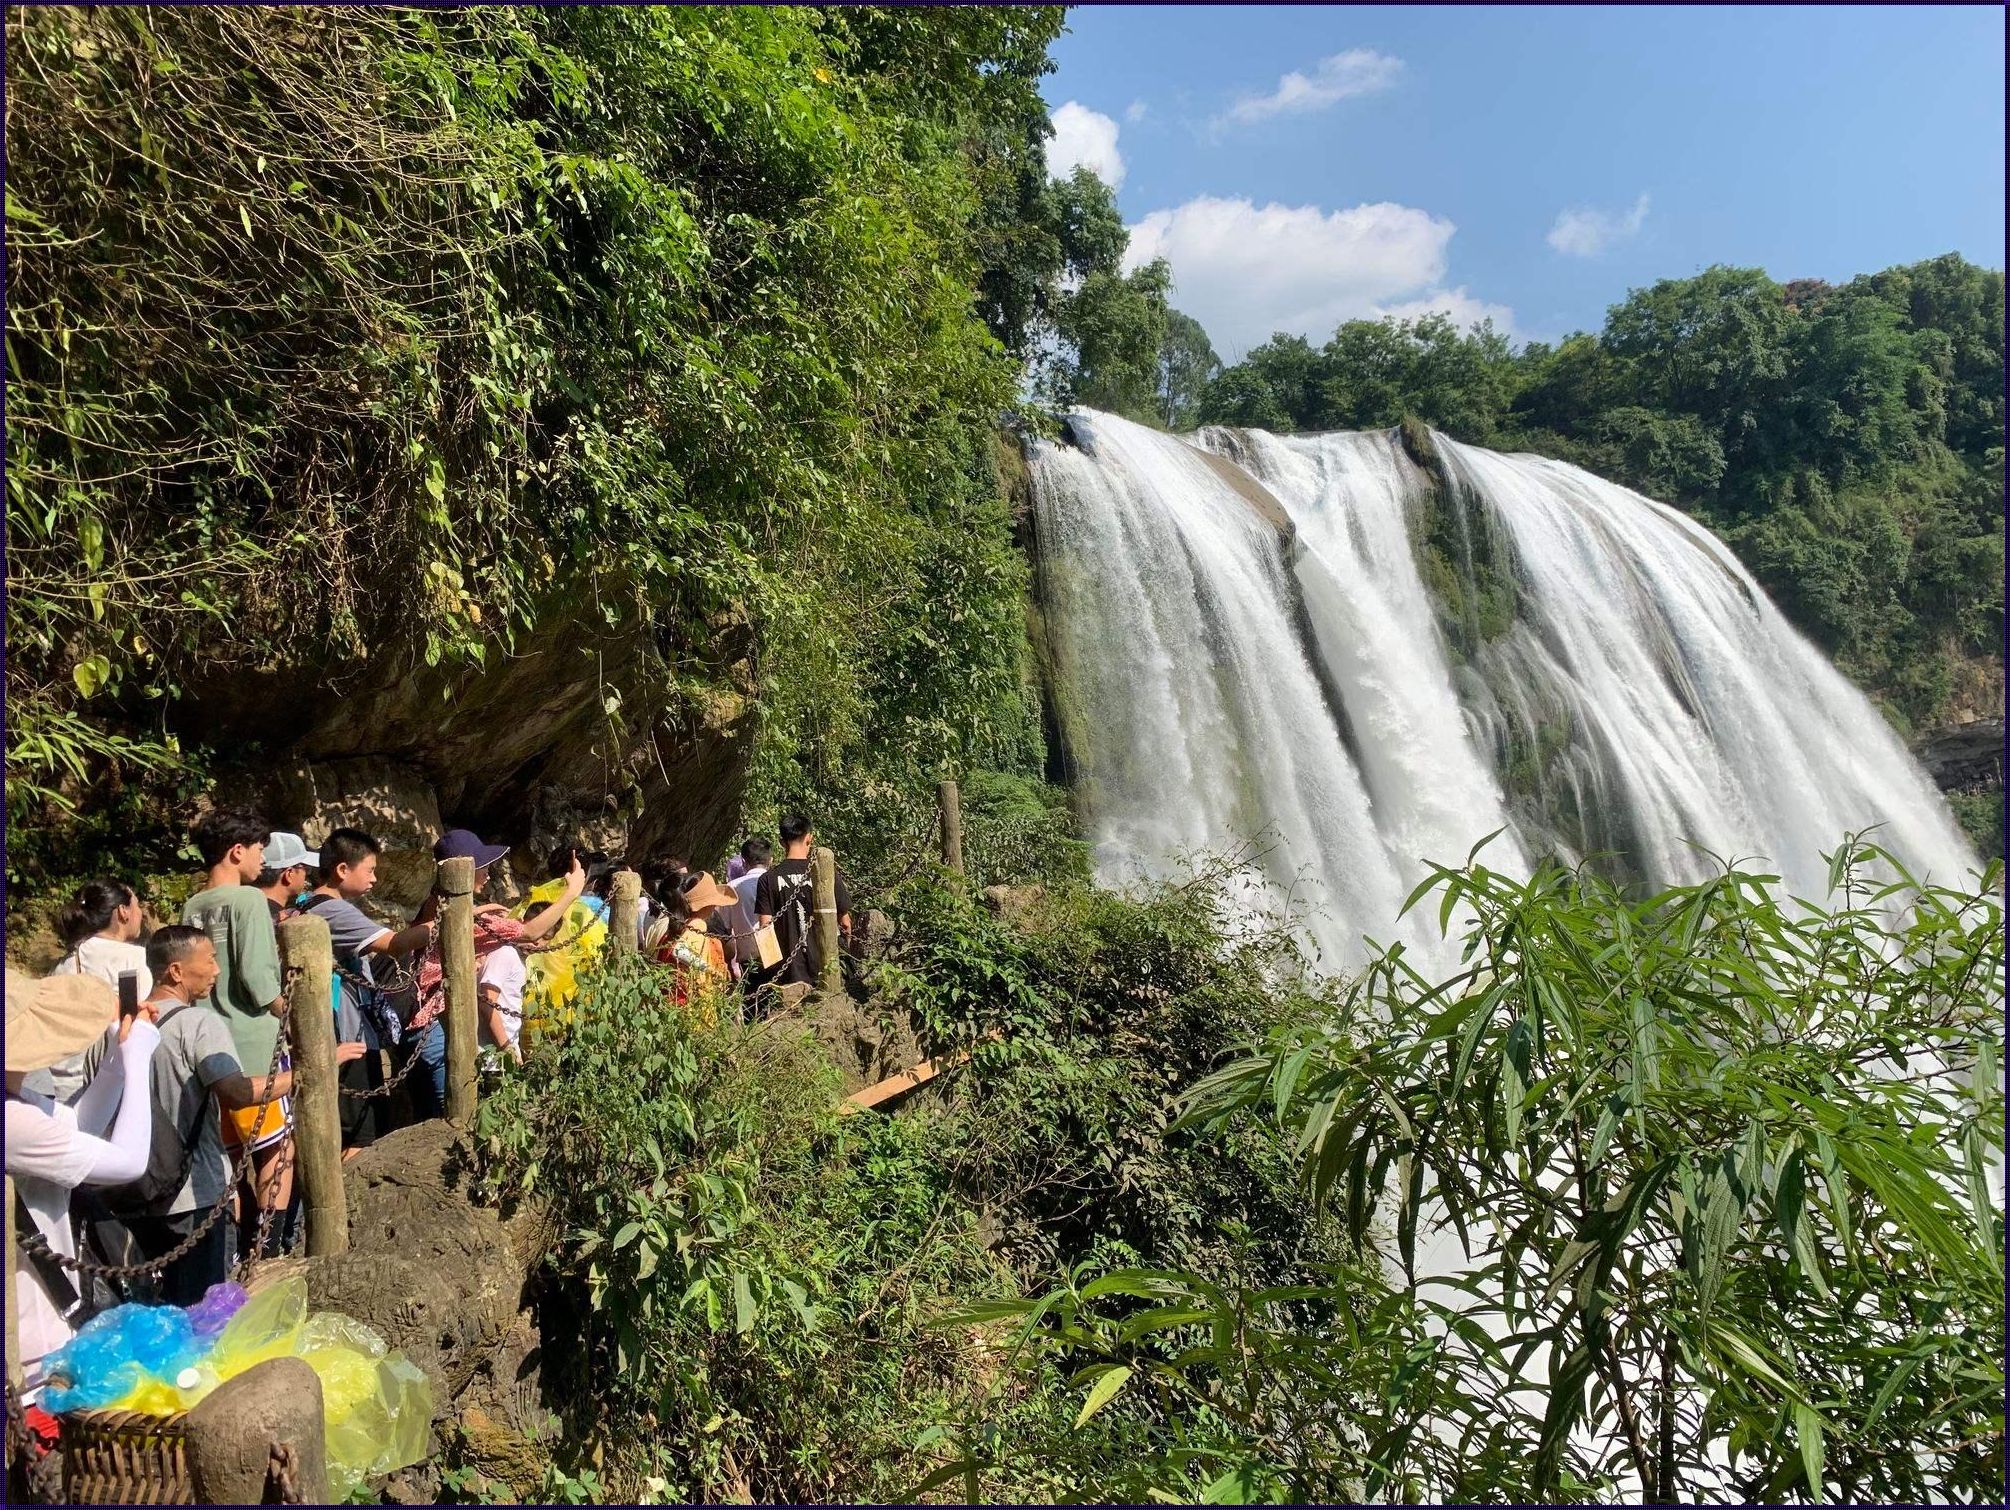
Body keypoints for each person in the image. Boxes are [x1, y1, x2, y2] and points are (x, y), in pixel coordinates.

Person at [115, 927, 348, 1303]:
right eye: (209, 959)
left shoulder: (127, 1025)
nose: (217, 970)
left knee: (155, 1310)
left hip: (135, 1189)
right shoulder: (199, 1024)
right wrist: (304, 1075)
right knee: (203, 1311)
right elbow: (237, 1092)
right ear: (176, 971)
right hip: (195, 1195)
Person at [6, 968, 161, 1399]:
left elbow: (76, 1127)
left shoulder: (17, 1101)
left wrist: (117, 1055)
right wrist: (139, 1062)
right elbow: (129, 1162)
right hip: (26, 1346)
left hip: (41, 1322)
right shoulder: (11, 1121)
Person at [178, 809, 291, 1248]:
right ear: (237, 851)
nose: (264, 859)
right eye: (259, 849)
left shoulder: (192, 906)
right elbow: (260, 981)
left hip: (210, 1045)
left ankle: (228, 1249)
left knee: (229, 1161)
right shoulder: (248, 902)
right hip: (254, 1044)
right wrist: (298, 1019)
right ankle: (267, 1249)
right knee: (277, 1152)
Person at [414, 832, 584, 1082]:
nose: (489, 874)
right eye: (484, 867)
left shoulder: (435, 904)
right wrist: (571, 892)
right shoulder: (462, 918)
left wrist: (479, 910)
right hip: (434, 1029)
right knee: (450, 1112)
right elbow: (529, 931)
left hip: (430, 1025)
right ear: (465, 870)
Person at [297, 828, 436, 1132]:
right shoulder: (334, 910)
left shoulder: (306, 905)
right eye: (370, 870)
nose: (374, 879)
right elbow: (394, 943)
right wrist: (446, 922)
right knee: (362, 1133)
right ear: (342, 869)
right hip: (347, 1034)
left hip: (339, 1032)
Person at [39, 878, 151, 1104]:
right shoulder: (130, 958)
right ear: (123, 912)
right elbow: (136, 1024)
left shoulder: (65, 962)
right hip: (105, 1083)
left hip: (60, 1082)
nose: (141, 913)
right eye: (137, 905)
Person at [755, 816, 853, 990]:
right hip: (825, 967)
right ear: (809, 838)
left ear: (781, 842)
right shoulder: (825, 873)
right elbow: (845, 922)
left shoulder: (767, 879)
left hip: (788, 971)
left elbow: (765, 927)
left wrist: (773, 971)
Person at [656, 871, 737, 1024]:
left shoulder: (680, 924)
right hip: (689, 1003)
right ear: (706, 904)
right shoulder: (697, 924)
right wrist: (709, 969)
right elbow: (679, 951)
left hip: (674, 1000)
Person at [727, 839, 773, 977]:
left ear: (744, 862)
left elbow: (726, 929)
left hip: (748, 961)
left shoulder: (731, 888)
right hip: (778, 955)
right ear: (770, 860)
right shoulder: (776, 882)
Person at [253, 832, 319, 923]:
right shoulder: (279, 921)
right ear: (289, 874)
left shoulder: (246, 909)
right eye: (306, 869)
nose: (306, 875)